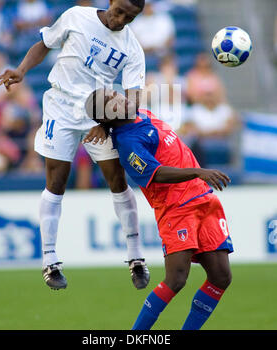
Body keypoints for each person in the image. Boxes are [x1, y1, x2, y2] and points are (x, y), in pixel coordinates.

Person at [0, 0, 150, 292]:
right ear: (110, 1)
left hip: (98, 114)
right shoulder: (77, 17)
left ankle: (136, 257)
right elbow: (44, 43)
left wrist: (105, 125)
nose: (120, 20)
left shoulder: (133, 49)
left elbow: (132, 101)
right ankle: (49, 261)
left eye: (128, 18)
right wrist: (23, 69)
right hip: (61, 106)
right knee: (56, 180)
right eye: (118, 11)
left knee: (117, 179)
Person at [85, 88, 233, 330]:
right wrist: (198, 171)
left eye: (113, 92)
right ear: (108, 114)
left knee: (221, 277)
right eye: (110, 99)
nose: (118, 95)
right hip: (177, 208)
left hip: (204, 199)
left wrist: (104, 124)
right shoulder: (128, 143)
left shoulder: (143, 113)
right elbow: (156, 174)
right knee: (176, 279)